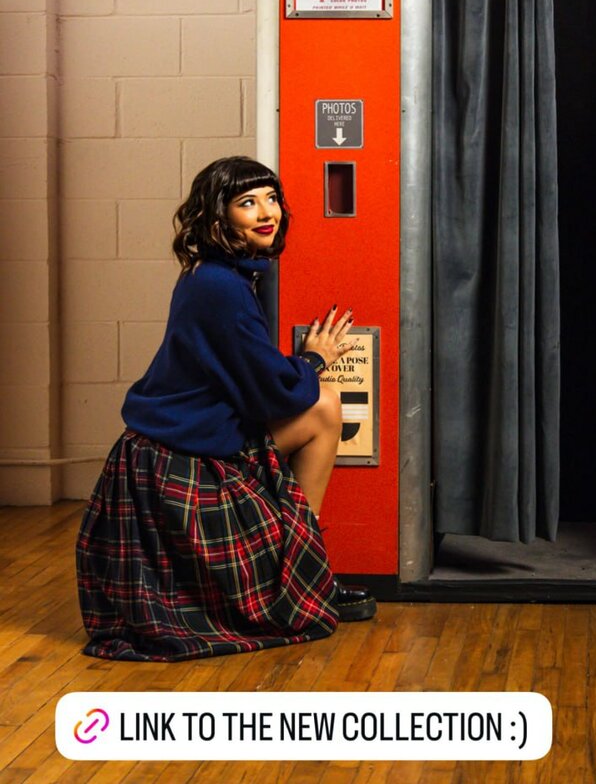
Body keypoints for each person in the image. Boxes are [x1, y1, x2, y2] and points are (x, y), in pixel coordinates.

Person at [76, 156, 376, 662]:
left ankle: (303, 568)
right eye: (247, 203)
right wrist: (314, 359)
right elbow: (271, 391)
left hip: (173, 446)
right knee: (324, 405)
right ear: (218, 218)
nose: (267, 212)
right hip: (175, 462)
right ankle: (301, 573)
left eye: (271, 198)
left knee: (323, 407)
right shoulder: (221, 287)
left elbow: (251, 376)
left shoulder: (215, 275)